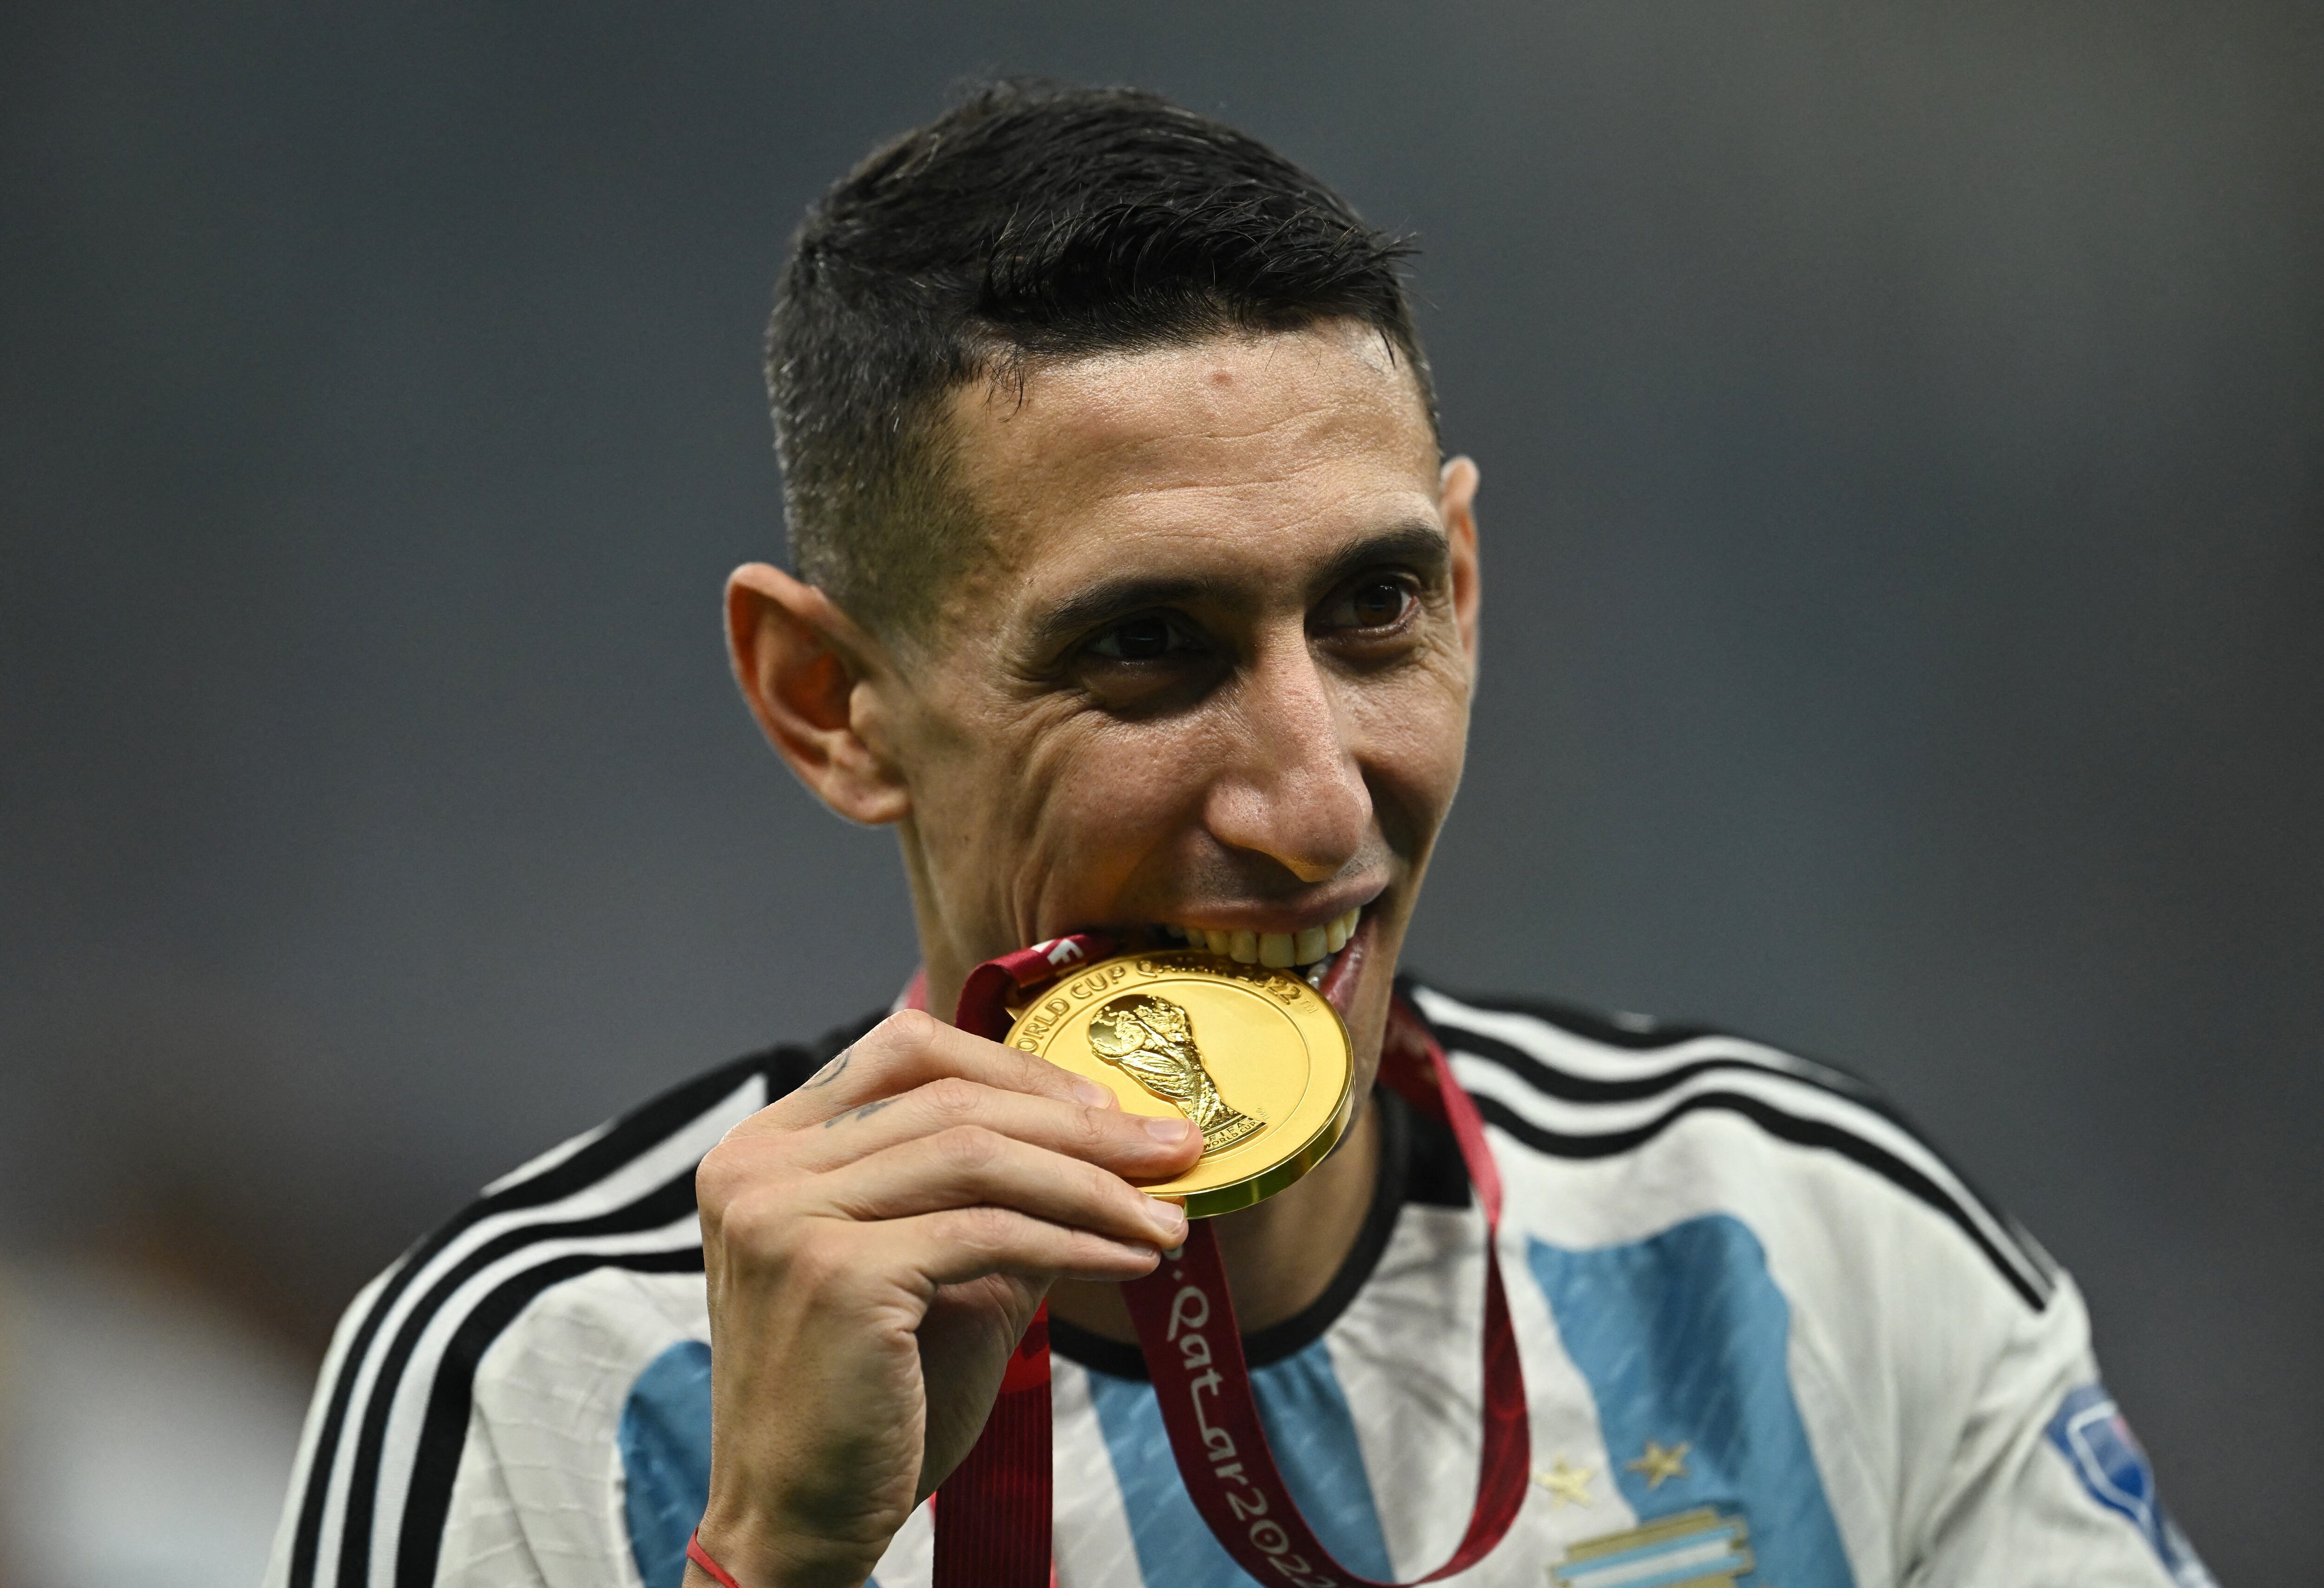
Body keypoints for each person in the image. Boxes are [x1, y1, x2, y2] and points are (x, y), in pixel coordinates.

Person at [264, 81, 2210, 1588]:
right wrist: (775, 1561)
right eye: (1147, 647)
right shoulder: (540, 1379)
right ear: (830, 701)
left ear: (1463, 584)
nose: (1315, 804)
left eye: (1373, 609)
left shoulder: (1802, 1255)